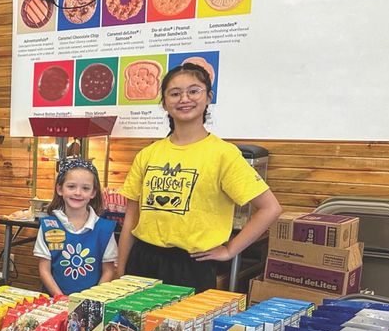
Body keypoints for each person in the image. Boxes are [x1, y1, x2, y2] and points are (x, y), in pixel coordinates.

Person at [116, 63, 282, 292]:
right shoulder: (148, 154)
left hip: (191, 266)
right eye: (174, 93)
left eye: (193, 91)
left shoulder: (223, 154)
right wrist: (120, 273)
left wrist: (230, 250)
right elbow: (131, 220)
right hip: (142, 260)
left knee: (181, 329)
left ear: (208, 98)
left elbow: (270, 208)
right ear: (164, 103)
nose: (184, 98)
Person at [34, 157, 116, 296]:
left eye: (85, 188)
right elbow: (44, 270)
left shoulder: (104, 229)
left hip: (91, 302)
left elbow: (109, 271)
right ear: (60, 189)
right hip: (55, 302)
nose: (78, 193)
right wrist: (61, 298)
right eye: (71, 186)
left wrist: (92, 300)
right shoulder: (49, 226)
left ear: (93, 193)